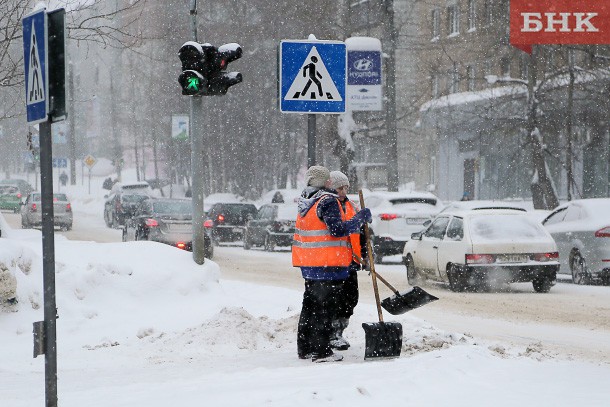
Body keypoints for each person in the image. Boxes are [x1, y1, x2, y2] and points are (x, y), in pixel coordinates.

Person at [293, 165, 372, 363]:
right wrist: (359, 219)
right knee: (324, 308)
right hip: (327, 263)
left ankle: (305, 348)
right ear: (325, 181)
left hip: (309, 263)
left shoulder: (306, 201)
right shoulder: (326, 201)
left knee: (310, 306)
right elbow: (337, 230)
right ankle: (321, 351)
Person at [328, 171, 366, 351]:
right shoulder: (329, 205)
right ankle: (332, 333)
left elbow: (360, 234)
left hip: (351, 261)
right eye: (340, 188)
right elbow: (336, 230)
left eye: (346, 187)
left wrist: (365, 254)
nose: (344, 191)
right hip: (333, 262)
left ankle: (340, 330)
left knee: (351, 298)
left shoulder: (352, 206)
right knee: (336, 299)